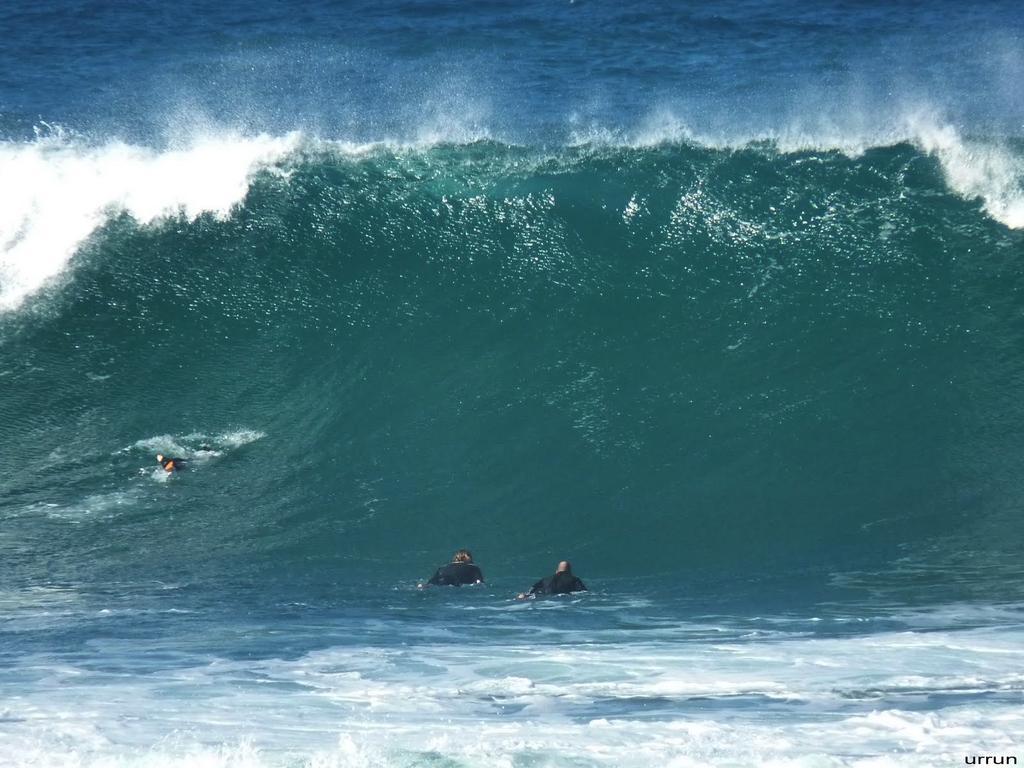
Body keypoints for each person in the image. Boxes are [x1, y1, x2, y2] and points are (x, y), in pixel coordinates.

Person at [518, 560, 586, 599]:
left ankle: (522, 597)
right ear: (570, 572)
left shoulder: (545, 579)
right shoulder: (575, 580)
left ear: (556, 571)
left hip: (545, 594)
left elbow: (532, 589)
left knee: (528, 595)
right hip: (560, 595)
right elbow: (583, 592)